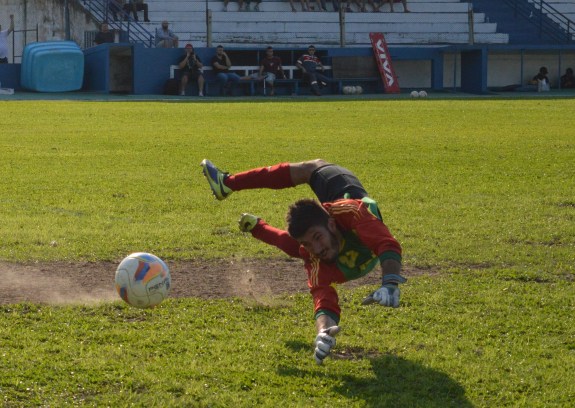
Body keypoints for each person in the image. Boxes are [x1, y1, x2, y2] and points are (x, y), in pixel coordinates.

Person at [200, 158, 406, 365]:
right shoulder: (316, 253)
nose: (316, 249)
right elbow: (323, 298)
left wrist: (389, 282)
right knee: (300, 242)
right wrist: (323, 332)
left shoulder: (351, 212)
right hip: (347, 260)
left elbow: (386, 243)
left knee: (313, 172)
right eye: (309, 244)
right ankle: (236, 197)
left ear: (332, 225)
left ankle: (237, 197)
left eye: (317, 238)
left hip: (347, 250)